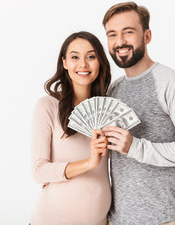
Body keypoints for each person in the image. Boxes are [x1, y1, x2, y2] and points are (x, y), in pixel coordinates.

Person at [101, 2, 175, 225]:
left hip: (165, 219)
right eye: (112, 35)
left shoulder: (172, 83)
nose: (119, 41)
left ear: (147, 36)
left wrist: (136, 147)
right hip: (119, 220)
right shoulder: (113, 89)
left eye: (128, 32)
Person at [29, 31, 112, 225]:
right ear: (64, 62)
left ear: (100, 62)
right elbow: (39, 171)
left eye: (91, 57)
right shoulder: (47, 106)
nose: (83, 64)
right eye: (75, 57)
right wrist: (89, 163)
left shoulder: (108, 110)